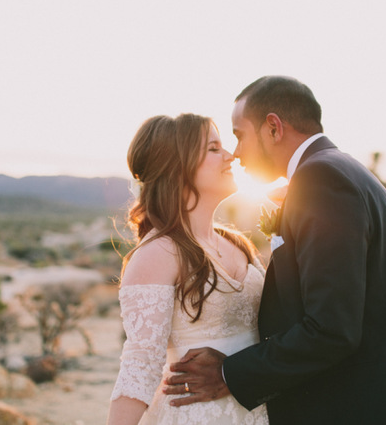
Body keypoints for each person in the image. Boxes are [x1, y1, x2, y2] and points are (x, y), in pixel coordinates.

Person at [164, 76, 386, 424]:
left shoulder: (321, 179)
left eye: (240, 135)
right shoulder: (342, 170)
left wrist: (229, 374)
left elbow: (331, 328)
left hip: (382, 407)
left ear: (273, 127)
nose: (238, 152)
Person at [106, 114, 269, 424]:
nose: (230, 156)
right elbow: (139, 369)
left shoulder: (237, 243)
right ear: (178, 167)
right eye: (213, 148)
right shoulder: (158, 254)